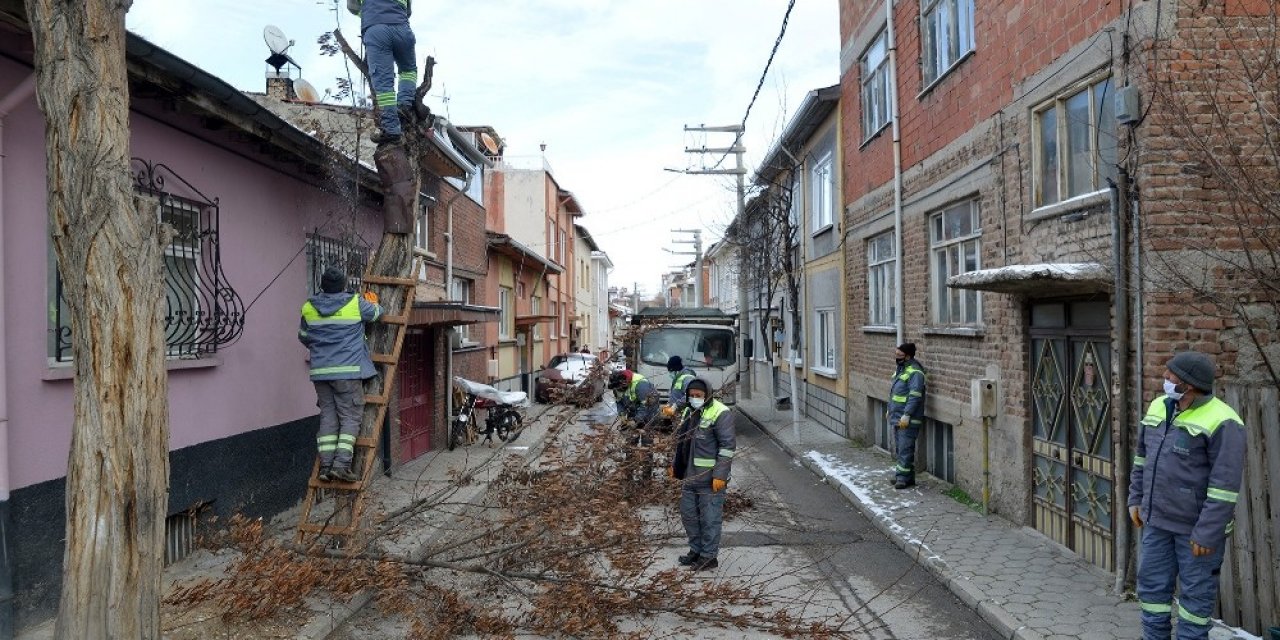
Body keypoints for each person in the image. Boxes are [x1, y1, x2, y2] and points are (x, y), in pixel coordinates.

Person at [1128, 351, 1246, 640]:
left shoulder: (1224, 421)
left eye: (1172, 376)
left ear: (1189, 384)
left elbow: (1224, 486)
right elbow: (1142, 458)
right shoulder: (1158, 406)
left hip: (1195, 533)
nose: (1165, 379)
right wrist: (1135, 498)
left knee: (1195, 603)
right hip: (1156, 522)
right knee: (1153, 593)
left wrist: (1207, 533)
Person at [298, 266, 384, 482]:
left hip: (320, 372)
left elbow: (304, 336)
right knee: (351, 416)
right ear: (344, 285)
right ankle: (341, 465)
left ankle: (326, 466)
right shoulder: (355, 303)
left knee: (328, 415)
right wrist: (373, 301)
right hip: (347, 372)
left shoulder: (309, 307)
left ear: (322, 286)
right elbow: (377, 314)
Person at [669, 379, 735, 571]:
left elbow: (727, 447)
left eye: (699, 395)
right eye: (692, 395)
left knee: (709, 519)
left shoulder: (721, 412)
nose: (695, 398)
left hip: (709, 479)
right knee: (689, 515)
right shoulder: (690, 411)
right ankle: (696, 551)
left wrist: (720, 475)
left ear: (707, 394)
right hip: (690, 477)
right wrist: (676, 466)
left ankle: (708, 556)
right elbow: (683, 444)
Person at [347, 0, 417, 145]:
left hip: (376, 30)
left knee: (384, 84)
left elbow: (352, 7)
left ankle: (391, 129)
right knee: (408, 70)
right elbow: (408, 11)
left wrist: (368, 14)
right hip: (403, 29)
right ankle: (404, 105)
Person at [888, 342, 926, 490]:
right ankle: (905, 476)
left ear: (908, 356)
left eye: (899, 355)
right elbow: (894, 394)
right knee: (900, 448)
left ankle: (902, 479)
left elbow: (915, 396)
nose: (896, 357)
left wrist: (907, 415)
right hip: (898, 416)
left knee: (905, 449)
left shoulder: (915, 373)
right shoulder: (901, 369)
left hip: (908, 418)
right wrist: (889, 410)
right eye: (896, 354)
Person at [661, 356, 697, 420]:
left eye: (670, 371)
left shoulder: (687, 378)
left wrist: (676, 405)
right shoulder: (679, 378)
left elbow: (691, 395)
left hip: (684, 417)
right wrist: (669, 404)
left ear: (675, 370)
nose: (670, 374)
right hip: (678, 415)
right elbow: (677, 394)